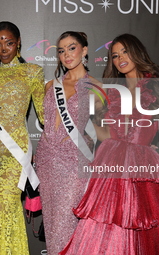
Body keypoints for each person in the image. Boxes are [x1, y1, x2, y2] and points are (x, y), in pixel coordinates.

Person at [60, 34, 159, 255]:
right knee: (109, 220)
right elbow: (107, 132)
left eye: (125, 52)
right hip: (111, 160)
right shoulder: (110, 89)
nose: (120, 58)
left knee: (151, 224)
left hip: (144, 162)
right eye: (115, 55)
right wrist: (83, 127)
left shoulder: (157, 86)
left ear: (136, 53)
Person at [0, 21, 45, 255]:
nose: (3, 48)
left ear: (18, 43)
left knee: (8, 209)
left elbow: (44, 115)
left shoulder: (33, 71)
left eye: (8, 43)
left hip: (13, 156)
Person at [35, 31, 101, 255]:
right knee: (53, 225)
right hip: (46, 161)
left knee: (67, 224)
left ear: (84, 50)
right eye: (61, 50)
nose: (66, 54)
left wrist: (88, 141)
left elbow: (106, 128)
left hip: (74, 162)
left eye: (72, 48)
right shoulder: (50, 86)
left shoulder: (95, 87)